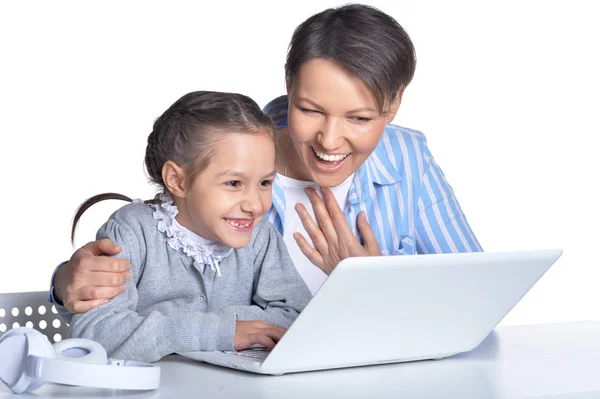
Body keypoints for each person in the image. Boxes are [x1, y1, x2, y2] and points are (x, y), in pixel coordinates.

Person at [50, 4, 482, 312]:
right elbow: (154, 254)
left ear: (393, 104)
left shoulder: (409, 158)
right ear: (289, 86)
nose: (329, 139)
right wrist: (65, 280)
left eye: (359, 117)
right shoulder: (233, 149)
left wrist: (371, 283)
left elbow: (479, 294)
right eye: (310, 110)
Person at [65, 91, 312, 362]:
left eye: (265, 182)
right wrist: (222, 331)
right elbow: (95, 335)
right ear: (178, 181)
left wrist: (164, 327)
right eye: (233, 183)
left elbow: (300, 319)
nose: (255, 205)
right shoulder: (131, 232)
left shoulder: (260, 237)